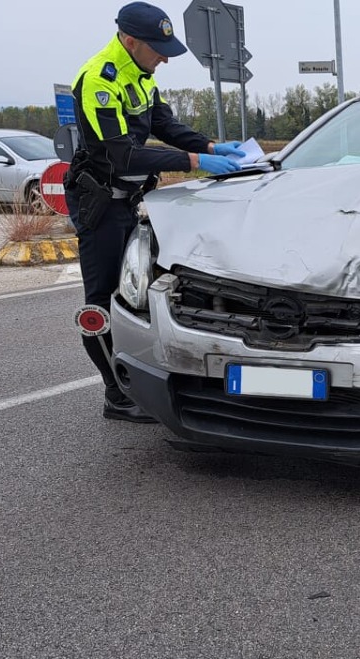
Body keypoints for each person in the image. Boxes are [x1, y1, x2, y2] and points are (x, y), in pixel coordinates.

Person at [66, 1, 245, 422]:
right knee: (103, 301)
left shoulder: (141, 74)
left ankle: (140, 379)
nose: (164, 58)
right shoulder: (99, 80)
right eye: (158, 49)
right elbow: (122, 156)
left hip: (128, 200)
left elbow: (165, 125)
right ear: (131, 41)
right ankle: (116, 395)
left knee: (139, 291)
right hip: (100, 203)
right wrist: (194, 162)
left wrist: (210, 145)